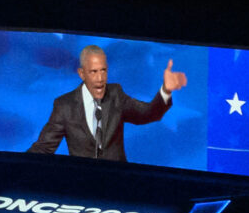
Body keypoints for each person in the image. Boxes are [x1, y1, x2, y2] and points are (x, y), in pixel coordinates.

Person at [28, 44, 186, 161]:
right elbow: (45, 145)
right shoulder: (62, 102)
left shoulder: (119, 98)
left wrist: (166, 91)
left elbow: (151, 113)